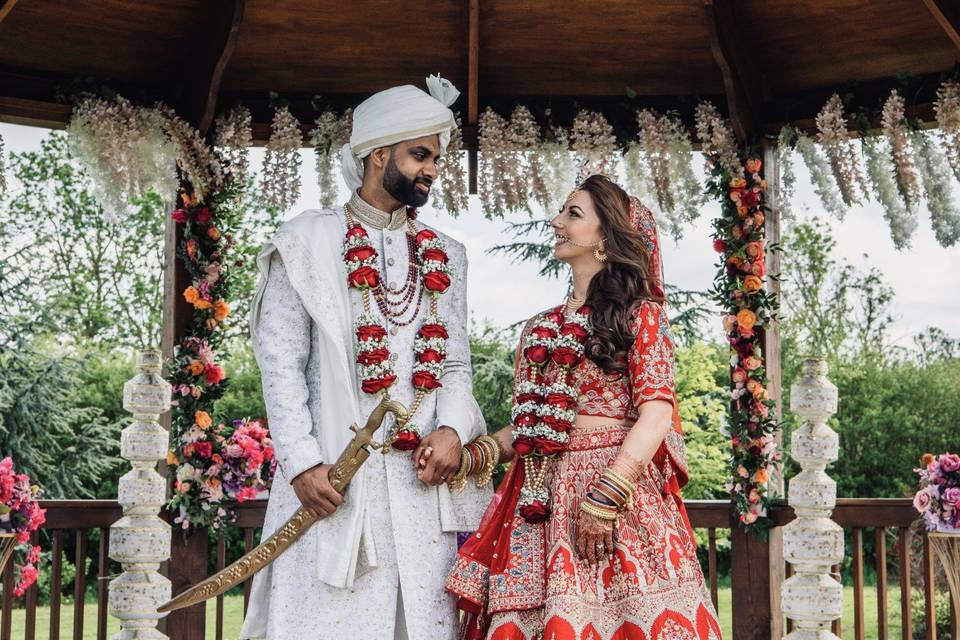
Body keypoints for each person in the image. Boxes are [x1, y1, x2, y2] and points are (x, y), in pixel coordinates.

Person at [240, 76, 490, 640]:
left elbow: (454, 363)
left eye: (436, 157)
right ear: (379, 155)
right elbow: (280, 365)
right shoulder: (306, 242)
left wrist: (451, 429)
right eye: (419, 154)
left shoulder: (447, 254)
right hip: (334, 480)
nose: (432, 169)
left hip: (420, 490)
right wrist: (303, 464)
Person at [446, 175, 721, 640]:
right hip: (538, 497)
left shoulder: (639, 316)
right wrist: (473, 454)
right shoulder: (540, 327)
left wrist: (608, 494)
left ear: (605, 237)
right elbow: (532, 428)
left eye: (573, 214)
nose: (556, 222)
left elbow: (656, 414)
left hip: (615, 494)